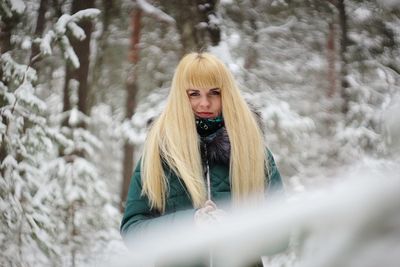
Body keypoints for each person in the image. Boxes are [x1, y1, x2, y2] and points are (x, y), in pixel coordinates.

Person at [120, 52, 284, 266]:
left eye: (214, 93)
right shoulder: (160, 154)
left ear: (227, 94)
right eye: (194, 94)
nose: (204, 103)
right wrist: (191, 223)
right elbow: (133, 232)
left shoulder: (254, 151)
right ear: (181, 96)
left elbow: (282, 233)